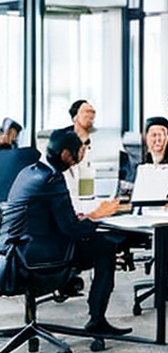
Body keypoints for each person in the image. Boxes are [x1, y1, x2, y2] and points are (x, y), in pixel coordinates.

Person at [0, 128, 131, 335]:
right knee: (105, 246)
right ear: (65, 155)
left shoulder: (30, 171)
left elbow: (46, 217)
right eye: (80, 151)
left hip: (12, 251)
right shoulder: (52, 179)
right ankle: (97, 321)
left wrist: (83, 219)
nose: (82, 154)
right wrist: (97, 215)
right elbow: (73, 230)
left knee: (94, 241)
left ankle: (72, 286)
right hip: (32, 256)